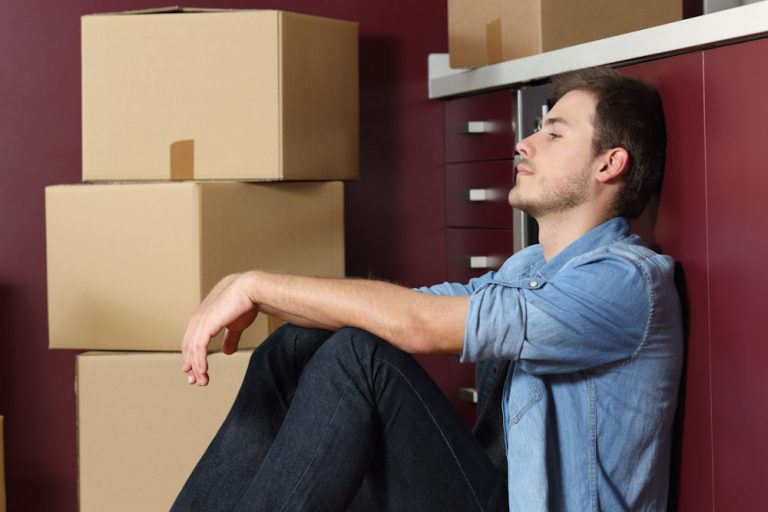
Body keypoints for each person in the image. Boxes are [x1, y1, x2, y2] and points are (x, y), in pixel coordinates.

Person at [171, 66, 682, 512]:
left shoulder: (626, 283)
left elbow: (416, 325)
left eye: (554, 134)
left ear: (608, 164)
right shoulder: (531, 267)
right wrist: (255, 290)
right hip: (489, 490)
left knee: (358, 356)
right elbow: (417, 307)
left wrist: (255, 285)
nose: (523, 144)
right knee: (296, 344)